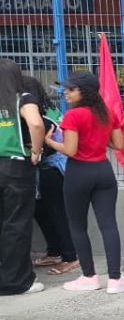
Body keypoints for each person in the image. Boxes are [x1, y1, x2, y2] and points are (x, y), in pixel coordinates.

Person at [44, 72, 124, 293]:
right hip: (103, 171)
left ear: (84, 91)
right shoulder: (106, 113)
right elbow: (118, 144)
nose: (65, 92)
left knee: (77, 226)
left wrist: (49, 141)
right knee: (109, 225)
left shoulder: (73, 115)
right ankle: (115, 279)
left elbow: (70, 150)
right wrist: (98, 138)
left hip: (79, 172)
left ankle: (89, 277)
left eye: (71, 89)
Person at [24, 75, 79, 277]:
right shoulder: (48, 110)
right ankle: (54, 251)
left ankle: (70, 256)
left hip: (52, 169)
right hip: (50, 168)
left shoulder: (41, 117)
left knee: (57, 213)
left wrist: (32, 148)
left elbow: (42, 146)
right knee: (41, 211)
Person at [0, 61, 46, 295]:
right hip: (14, 165)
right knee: (16, 224)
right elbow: (36, 123)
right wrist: (36, 151)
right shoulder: (22, 98)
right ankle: (16, 281)